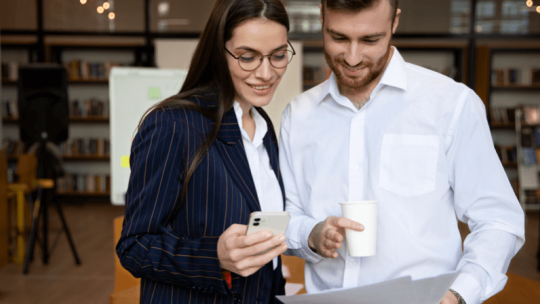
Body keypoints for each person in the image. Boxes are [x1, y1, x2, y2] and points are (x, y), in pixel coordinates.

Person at [280, 1, 525, 304]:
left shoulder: (451, 104)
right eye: (339, 38)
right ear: (321, 18)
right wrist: (312, 234)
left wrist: (459, 295)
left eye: (370, 40)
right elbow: (286, 217)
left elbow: (497, 220)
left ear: (394, 22)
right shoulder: (298, 115)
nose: (353, 57)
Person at [116, 0, 296, 303]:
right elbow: (134, 246)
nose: (267, 73)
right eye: (247, 57)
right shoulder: (173, 125)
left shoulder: (263, 125)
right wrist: (214, 256)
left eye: (278, 56)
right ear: (218, 52)